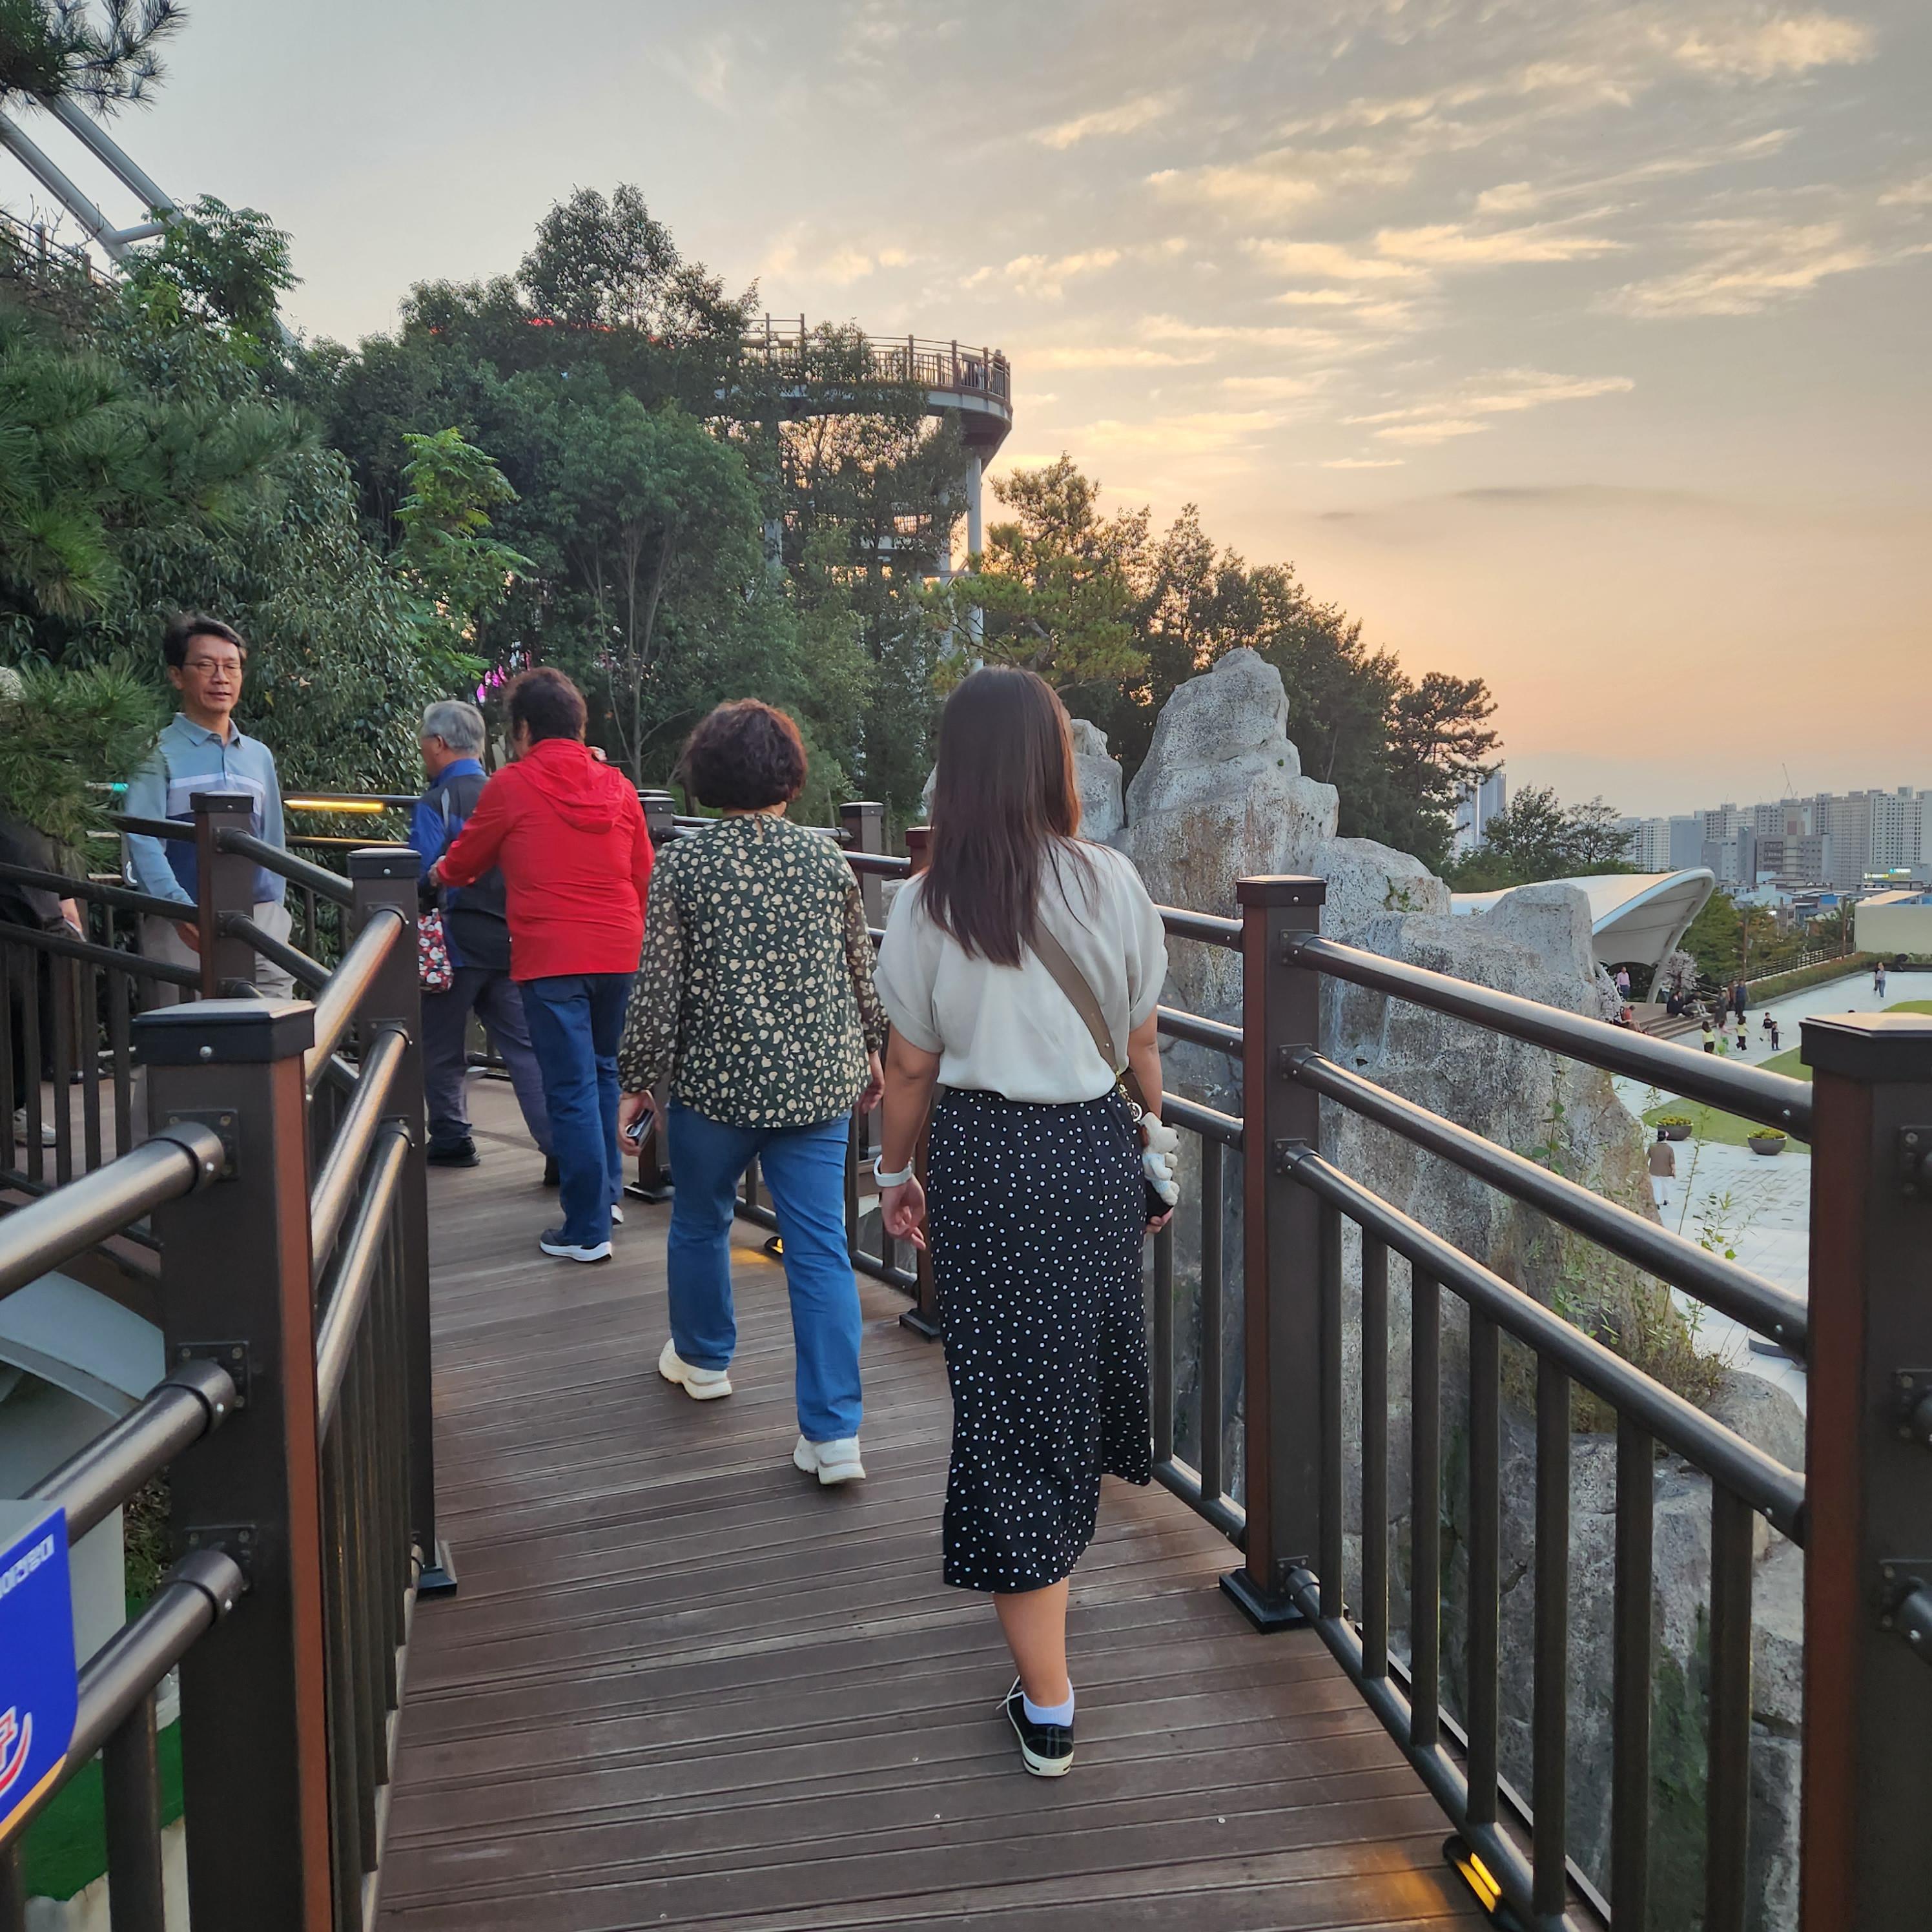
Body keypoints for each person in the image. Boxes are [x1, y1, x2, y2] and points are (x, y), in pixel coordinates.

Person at [872, 666, 1178, 1780]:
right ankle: (1048, 1601)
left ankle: (1049, 1704)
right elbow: (1141, 1045)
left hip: (989, 1166)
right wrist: (1150, 1150)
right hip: (1092, 1156)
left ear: (955, 771)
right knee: (1068, 1386)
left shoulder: (928, 901)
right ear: (1054, 762)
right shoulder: (1113, 881)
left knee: (1009, 1411)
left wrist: (892, 1173)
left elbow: (910, 1066)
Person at [614, 701, 887, 1485]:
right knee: (820, 1249)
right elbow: (857, 968)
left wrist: (637, 1080)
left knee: (700, 1221)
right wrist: (873, 1046)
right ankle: (834, 1435)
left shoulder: (685, 865)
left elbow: (657, 986)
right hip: (815, 1088)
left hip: (714, 1086)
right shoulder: (826, 862)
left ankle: (704, 1360)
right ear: (789, 777)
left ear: (707, 776)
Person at [432, 668, 652, 1263]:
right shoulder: (619, 787)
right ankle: (605, 1198)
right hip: (619, 950)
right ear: (580, 727)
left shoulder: (513, 784)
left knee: (571, 1088)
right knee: (603, 1073)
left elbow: (468, 858)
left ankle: (585, 1229)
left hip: (553, 955)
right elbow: (642, 873)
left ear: (524, 729)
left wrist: (436, 875)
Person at [406, 700, 553, 1175]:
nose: (423, 751)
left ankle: (452, 1137)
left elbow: (420, 872)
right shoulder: (506, 793)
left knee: (441, 1046)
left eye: (424, 743)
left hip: (453, 946)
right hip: (512, 941)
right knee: (526, 1051)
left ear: (439, 744)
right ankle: (560, 1150)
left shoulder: (437, 802)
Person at [123, 613, 295, 1003]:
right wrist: (178, 910)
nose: (221, 677)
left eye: (231, 666)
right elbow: (143, 838)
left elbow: (273, 841)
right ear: (177, 676)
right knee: (189, 1028)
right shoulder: (156, 751)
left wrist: (275, 910)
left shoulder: (258, 756)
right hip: (184, 920)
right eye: (205, 665)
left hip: (260, 917)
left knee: (273, 1020)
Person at [1647, 1128, 1676, 1218]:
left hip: (1654, 1170)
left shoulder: (1652, 1147)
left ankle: (1657, 1202)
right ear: (1665, 1138)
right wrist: (1674, 1171)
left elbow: (1646, 1158)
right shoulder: (1669, 1149)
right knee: (1666, 1186)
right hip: (1666, 1171)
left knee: (1656, 1186)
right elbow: (1672, 1162)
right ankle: (1666, 1200)